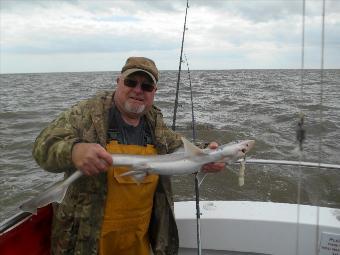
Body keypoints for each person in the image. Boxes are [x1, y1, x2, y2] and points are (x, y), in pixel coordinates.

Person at [32, 57, 224, 255]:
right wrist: (74, 151)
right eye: (131, 82)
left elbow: (178, 147)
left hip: (138, 239)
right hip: (86, 242)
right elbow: (42, 146)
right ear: (118, 82)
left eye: (147, 86)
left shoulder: (155, 124)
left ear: (154, 92)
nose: (138, 90)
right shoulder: (85, 114)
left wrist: (207, 153)